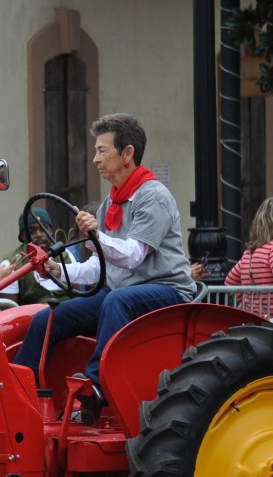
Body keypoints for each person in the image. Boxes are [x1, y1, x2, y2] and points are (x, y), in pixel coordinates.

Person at [13, 113, 197, 423]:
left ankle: (96, 389)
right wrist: (57, 270)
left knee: (115, 299)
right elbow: (98, 267)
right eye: (96, 151)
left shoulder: (154, 196)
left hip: (169, 292)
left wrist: (97, 235)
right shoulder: (108, 203)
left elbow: (132, 256)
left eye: (102, 150)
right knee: (48, 318)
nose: (96, 159)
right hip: (123, 293)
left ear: (128, 154)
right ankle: (15, 392)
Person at [0, 207, 76, 305]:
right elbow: (9, 310)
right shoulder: (11, 264)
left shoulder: (66, 256)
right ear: (23, 236)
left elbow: (80, 298)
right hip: (31, 319)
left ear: (50, 230)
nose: (39, 235)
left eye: (44, 228)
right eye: (32, 231)